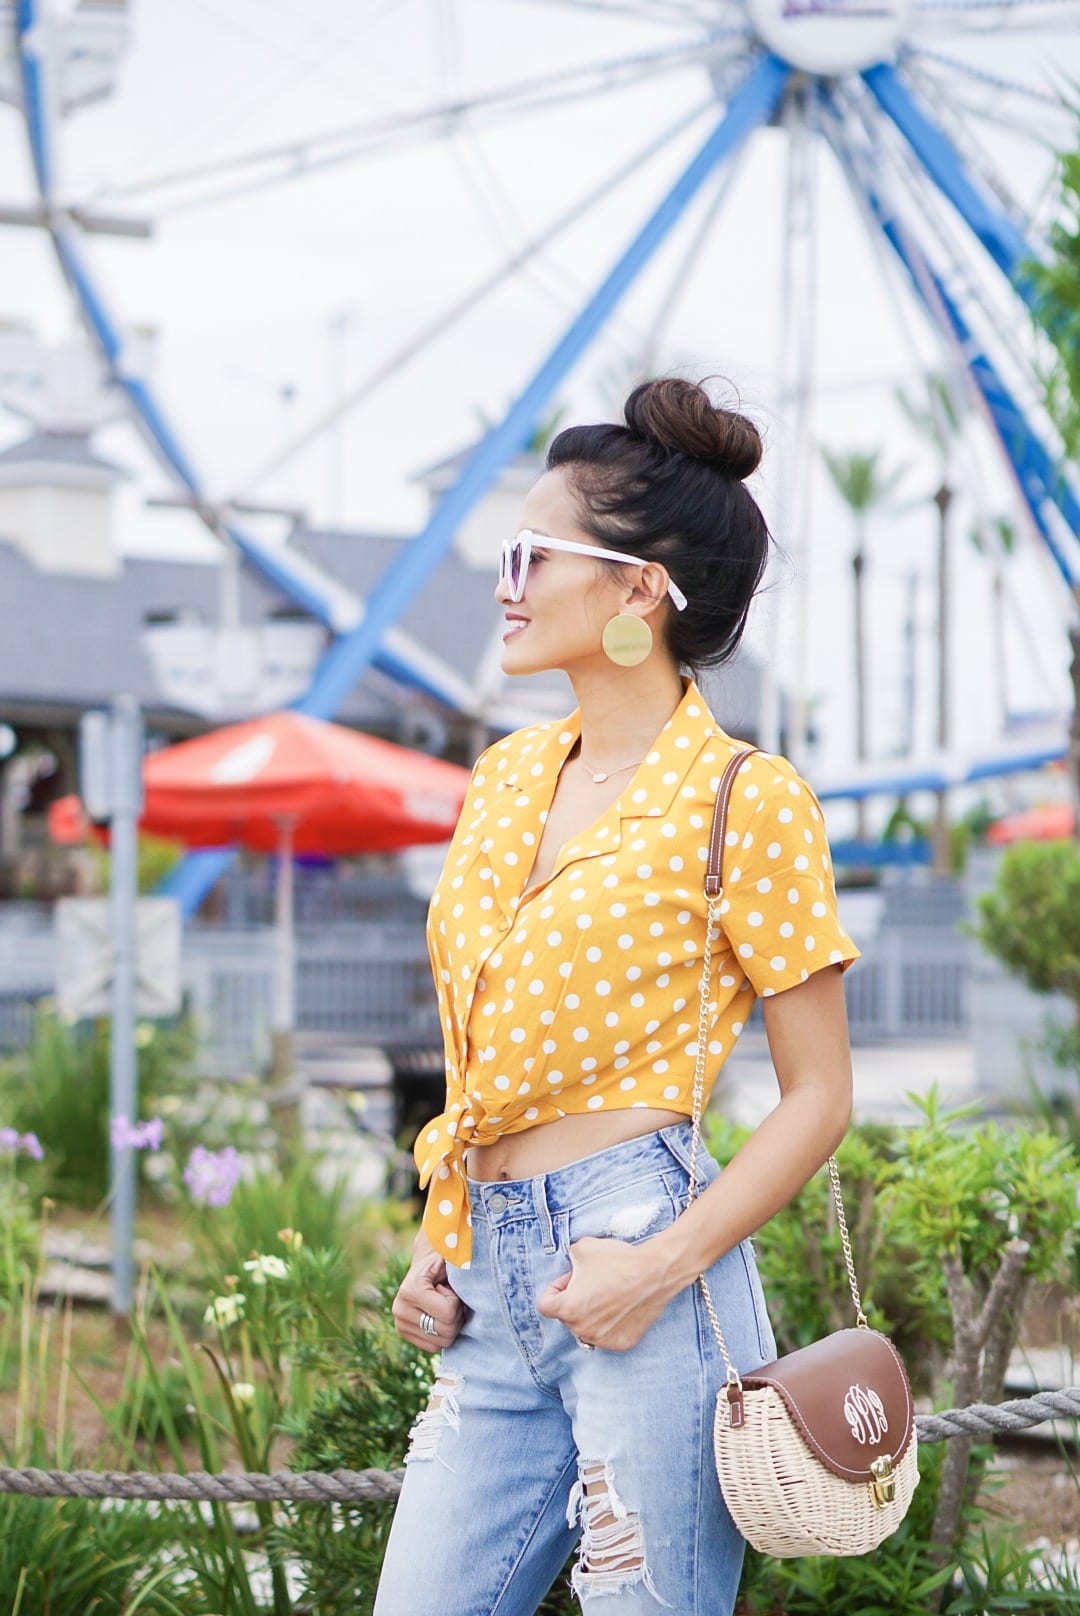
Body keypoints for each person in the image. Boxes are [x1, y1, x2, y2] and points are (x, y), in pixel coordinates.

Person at [373, 377, 859, 1615]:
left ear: (641, 588)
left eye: (537, 553)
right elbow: (479, 1041)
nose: (508, 580)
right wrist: (441, 1234)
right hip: (487, 1279)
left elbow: (820, 1097)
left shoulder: (747, 798)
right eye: (507, 551)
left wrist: (660, 1265)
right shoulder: (502, 778)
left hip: (649, 1256)